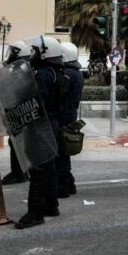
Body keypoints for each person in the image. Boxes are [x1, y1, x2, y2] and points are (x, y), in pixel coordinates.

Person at [15, 36, 67, 228]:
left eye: (36, 50)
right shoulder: (56, 72)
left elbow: (36, 100)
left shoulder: (43, 74)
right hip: (50, 122)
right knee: (49, 164)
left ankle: (35, 213)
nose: (33, 54)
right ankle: (50, 204)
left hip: (40, 123)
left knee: (38, 166)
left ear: (46, 53)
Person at [1, 41, 32, 185]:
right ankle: (21, 172)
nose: (10, 55)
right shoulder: (20, 68)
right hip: (18, 110)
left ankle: (19, 173)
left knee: (17, 142)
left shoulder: (23, 69)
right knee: (16, 142)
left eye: (12, 52)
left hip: (23, 110)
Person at [59, 42, 84, 197]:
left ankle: (63, 185)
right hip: (69, 114)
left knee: (60, 151)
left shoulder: (68, 74)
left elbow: (60, 92)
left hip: (64, 115)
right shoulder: (76, 72)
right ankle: (68, 182)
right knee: (63, 151)